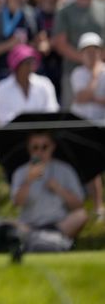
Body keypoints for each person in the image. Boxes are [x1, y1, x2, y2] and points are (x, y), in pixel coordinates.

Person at [11, 132, 87, 247]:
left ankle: (48, 239)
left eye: (44, 147)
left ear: (52, 147)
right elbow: (17, 202)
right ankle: (46, 241)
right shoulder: (21, 172)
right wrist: (28, 181)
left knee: (81, 215)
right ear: (29, 148)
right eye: (35, 147)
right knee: (8, 224)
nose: (40, 151)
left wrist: (59, 189)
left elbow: (78, 205)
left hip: (58, 225)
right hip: (29, 226)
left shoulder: (66, 170)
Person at [52, 0, 105, 108]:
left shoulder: (103, 6)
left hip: (102, 75)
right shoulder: (65, 11)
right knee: (72, 124)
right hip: (72, 74)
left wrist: (96, 63)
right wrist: (87, 59)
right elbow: (60, 44)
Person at [69, 32, 105, 219]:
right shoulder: (78, 74)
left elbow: (86, 97)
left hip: (102, 127)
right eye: (87, 51)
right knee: (91, 164)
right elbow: (81, 98)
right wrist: (94, 76)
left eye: (94, 50)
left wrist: (93, 97)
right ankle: (97, 207)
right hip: (82, 130)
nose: (91, 55)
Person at [0, 45, 59, 126]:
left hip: (42, 134)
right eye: (27, 63)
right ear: (17, 66)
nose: (31, 67)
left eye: (32, 62)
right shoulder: (1, 88)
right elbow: (3, 119)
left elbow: (52, 111)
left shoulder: (45, 84)